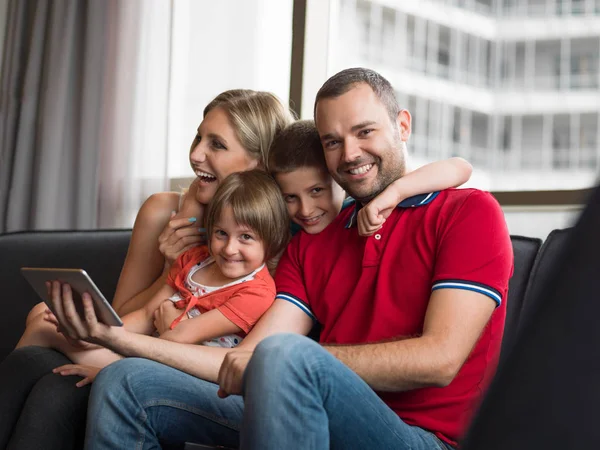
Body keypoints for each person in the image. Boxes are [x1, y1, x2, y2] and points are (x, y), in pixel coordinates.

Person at [50, 68, 513, 450]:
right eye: (332, 141)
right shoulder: (314, 244)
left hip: (421, 440)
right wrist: (119, 342)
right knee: (127, 383)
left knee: (286, 356)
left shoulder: (468, 214)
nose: (350, 153)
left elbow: (440, 359)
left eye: (365, 132)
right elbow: (245, 359)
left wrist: (290, 366)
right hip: (313, 414)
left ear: (402, 127)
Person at [0, 89, 294, 450]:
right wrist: (171, 264)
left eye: (216, 144)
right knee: (41, 332)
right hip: (134, 347)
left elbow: (215, 352)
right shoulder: (168, 215)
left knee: (51, 382)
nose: (196, 154)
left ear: (259, 164)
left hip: (177, 372)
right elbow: (126, 317)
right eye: (198, 138)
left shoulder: (272, 246)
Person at [16, 170, 290, 385]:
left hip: (180, 374)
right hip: (146, 353)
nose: (230, 249)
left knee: (43, 326)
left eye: (246, 238)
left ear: (272, 242)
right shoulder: (193, 260)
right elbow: (147, 314)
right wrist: (91, 336)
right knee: (42, 312)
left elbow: (178, 338)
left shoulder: (258, 292)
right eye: (221, 233)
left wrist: (109, 361)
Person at [267, 119, 473, 237]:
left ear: (338, 175)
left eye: (316, 190)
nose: (305, 210)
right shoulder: (286, 230)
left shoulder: (365, 207)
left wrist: (396, 192)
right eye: (290, 197)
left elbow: (461, 168)